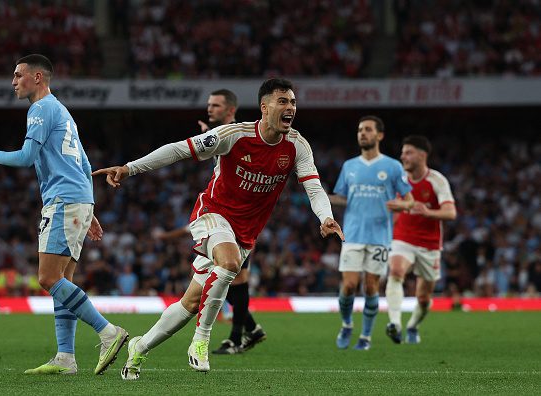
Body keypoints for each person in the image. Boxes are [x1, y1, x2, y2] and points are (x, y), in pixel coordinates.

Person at [93, 78, 343, 378]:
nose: (290, 107)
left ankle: (140, 347)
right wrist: (130, 168)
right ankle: (201, 340)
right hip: (212, 214)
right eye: (283, 101)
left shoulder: (297, 146)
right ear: (264, 108)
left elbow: (314, 188)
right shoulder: (233, 135)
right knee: (229, 263)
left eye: (293, 102)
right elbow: (178, 150)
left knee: (191, 301)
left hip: (246, 232)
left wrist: (325, 217)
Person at [0, 54, 128, 375]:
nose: (13, 82)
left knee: (47, 277)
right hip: (77, 199)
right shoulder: (62, 110)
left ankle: (107, 331)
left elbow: (28, 156)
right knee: (63, 279)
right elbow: (84, 164)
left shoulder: (41, 109)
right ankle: (66, 358)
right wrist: (90, 209)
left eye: (18, 76)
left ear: (38, 77)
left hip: (63, 199)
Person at [160, 88, 267, 355]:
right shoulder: (223, 134)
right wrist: (209, 131)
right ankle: (249, 331)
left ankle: (239, 336)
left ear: (231, 110)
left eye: (216, 105)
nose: (210, 108)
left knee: (234, 279)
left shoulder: (236, 135)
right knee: (229, 277)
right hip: (227, 217)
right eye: (209, 104)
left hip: (238, 219)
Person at [330, 115, 414, 351]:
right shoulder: (349, 166)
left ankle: (365, 337)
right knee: (348, 286)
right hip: (353, 235)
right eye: (359, 130)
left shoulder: (392, 167)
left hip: (379, 237)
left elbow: (410, 200)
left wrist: (402, 205)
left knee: (370, 287)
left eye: (367, 130)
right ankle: (347, 324)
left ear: (379, 135)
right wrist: (321, 198)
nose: (362, 134)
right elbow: (343, 198)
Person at [385, 135, 456, 344]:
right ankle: (395, 323)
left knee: (424, 299)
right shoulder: (399, 180)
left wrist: (427, 212)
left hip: (429, 244)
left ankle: (412, 326)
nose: (403, 156)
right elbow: (390, 204)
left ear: (422, 155)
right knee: (396, 271)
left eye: (408, 152)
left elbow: (450, 213)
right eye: (402, 152)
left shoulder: (437, 180)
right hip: (403, 238)